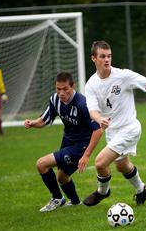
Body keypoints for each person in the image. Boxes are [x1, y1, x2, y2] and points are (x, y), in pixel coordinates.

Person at [82, 41, 146, 207]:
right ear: (93, 58)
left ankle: (102, 192)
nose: (107, 59)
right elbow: (92, 109)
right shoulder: (91, 84)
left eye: (109, 56)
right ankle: (142, 189)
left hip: (129, 128)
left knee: (100, 162)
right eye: (102, 56)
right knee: (122, 165)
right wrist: (99, 119)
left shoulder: (123, 76)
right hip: (112, 131)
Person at [24, 72, 103, 212]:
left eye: (65, 89)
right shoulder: (55, 100)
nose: (61, 93)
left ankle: (57, 198)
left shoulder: (82, 104)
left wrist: (86, 155)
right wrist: (32, 123)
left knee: (41, 164)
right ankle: (75, 202)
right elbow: (44, 120)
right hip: (67, 140)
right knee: (62, 177)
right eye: (58, 89)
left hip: (81, 145)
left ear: (72, 87)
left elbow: (98, 131)